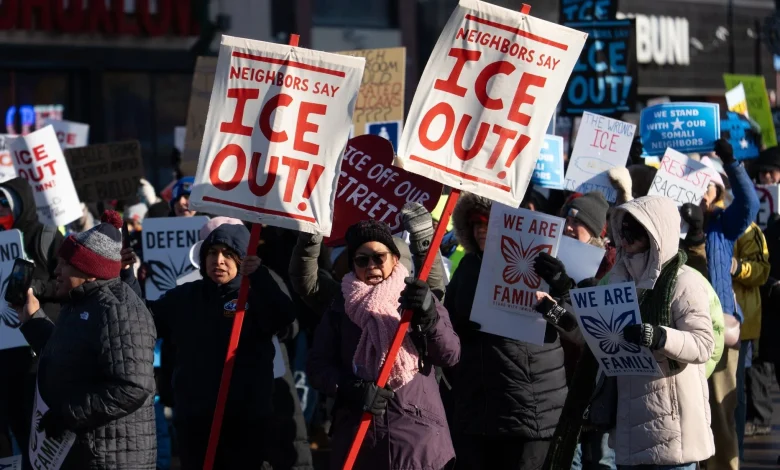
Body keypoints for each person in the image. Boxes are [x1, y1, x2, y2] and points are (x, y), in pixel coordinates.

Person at [541, 195, 715, 470]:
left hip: (673, 433)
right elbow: (595, 336)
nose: (625, 238)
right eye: (623, 230)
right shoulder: (618, 281)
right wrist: (554, 311)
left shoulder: (684, 282)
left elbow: (704, 344)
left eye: (634, 230)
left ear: (655, 232)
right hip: (627, 431)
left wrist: (659, 336)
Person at [124, 222, 296, 469]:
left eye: (228, 254)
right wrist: (127, 275)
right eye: (212, 252)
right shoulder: (185, 297)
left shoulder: (256, 295)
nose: (219, 260)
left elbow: (285, 317)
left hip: (245, 421)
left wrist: (260, 276)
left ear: (242, 259)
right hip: (196, 421)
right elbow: (141, 318)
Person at [307, 220, 460, 469]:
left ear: (394, 259)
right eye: (362, 260)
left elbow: (450, 354)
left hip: (416, 441)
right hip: (359, 440)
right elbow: (317, 367)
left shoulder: (417, 298)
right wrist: (350, 387)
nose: (371, 266)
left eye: (379, 258)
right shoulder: (340, 307)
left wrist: (429, 316)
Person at [15, 211, 157, 469]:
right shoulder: (81, 301)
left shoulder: (117, 309)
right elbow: (67, 355)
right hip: (86, 452)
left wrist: (67, 415)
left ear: (90, 271)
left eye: (64, 264)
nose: (56, 271)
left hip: (109, 458)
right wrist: (33, 319)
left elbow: (132, 387)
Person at [444, 192, 567, 470]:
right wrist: (456, 328)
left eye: (488, 222)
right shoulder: (467, 266)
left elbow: (575, 328)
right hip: (477, 409)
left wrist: (561, 289)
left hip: (527, 408)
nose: (481, 230)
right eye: (475, 224)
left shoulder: (544, 264)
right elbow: (447, 322)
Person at [691, 139, 759, 470]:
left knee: (720, 408)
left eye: (706, 186)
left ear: (716, 192)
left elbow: (750, 204)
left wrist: (732, 164)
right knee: (688, 411)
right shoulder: (671, 225)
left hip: (719, 331)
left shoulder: (722, 225)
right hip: (682, 331)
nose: (699, 192)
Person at [0, 176, 64, 467]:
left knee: (38, 428)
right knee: (14, 423)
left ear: (20, 204)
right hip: (5, 353)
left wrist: (36, 289)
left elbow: (68, 283)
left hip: (38, 351)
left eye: (4, 202)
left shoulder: (45, 237)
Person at [731, 221, 770, 454]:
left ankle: (734, 453)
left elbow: (762, 270)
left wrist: (737, 267)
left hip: (737, 325)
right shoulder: (687, 220)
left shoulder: (747, 228)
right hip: (699, 321)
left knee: (733, 392)